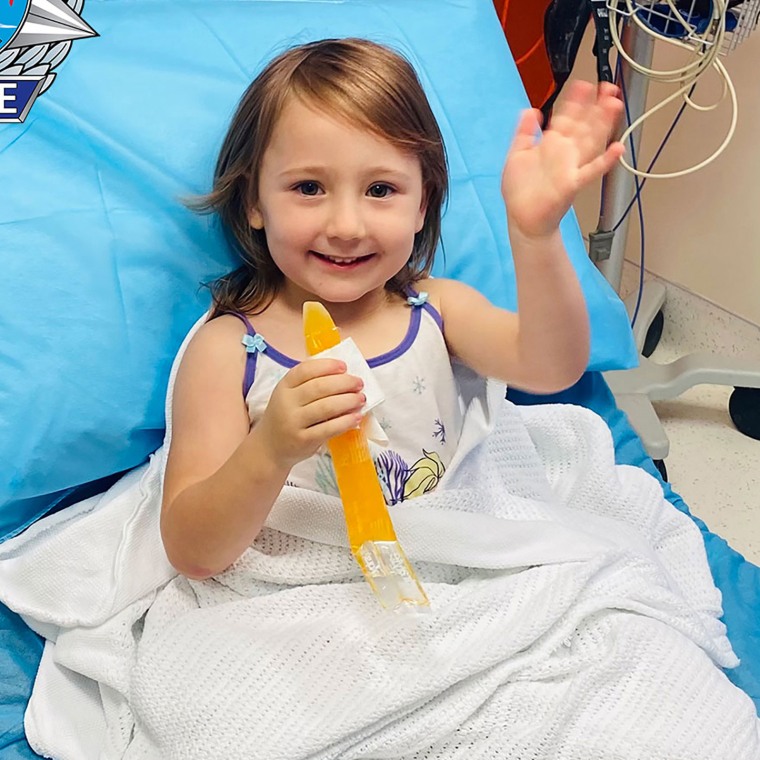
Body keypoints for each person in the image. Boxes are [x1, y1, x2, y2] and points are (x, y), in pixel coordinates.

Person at [161, 37, 624, 581]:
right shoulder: (228, 351)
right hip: (303, 587)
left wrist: (536, 235)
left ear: (422, 204)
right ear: (254, 204)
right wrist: (268, 450)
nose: (347, 226)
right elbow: (193, 552)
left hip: (447, 562)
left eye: (381, 189)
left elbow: (553, 366)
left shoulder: (436, 310)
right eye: (309, 187)